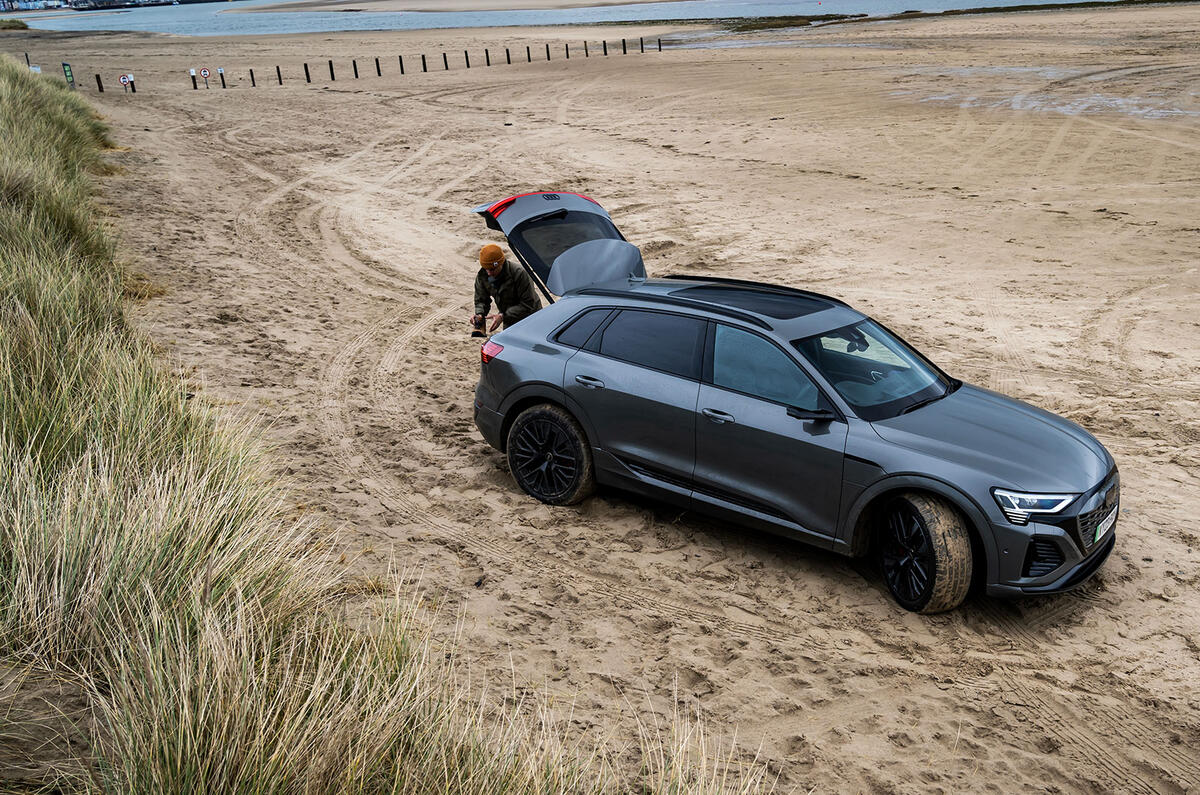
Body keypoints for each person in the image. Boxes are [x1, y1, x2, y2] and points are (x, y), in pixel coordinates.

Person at [471, 244, 541, 335]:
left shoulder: (519, 273)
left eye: (492, 269)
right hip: (509, 319)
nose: (489, 273)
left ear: (501, 264)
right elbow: (481, 300)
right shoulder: (482, 275)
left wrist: (502, 315)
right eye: (486, 269)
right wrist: (479, 315)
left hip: (532, 318)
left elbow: (528, 304)